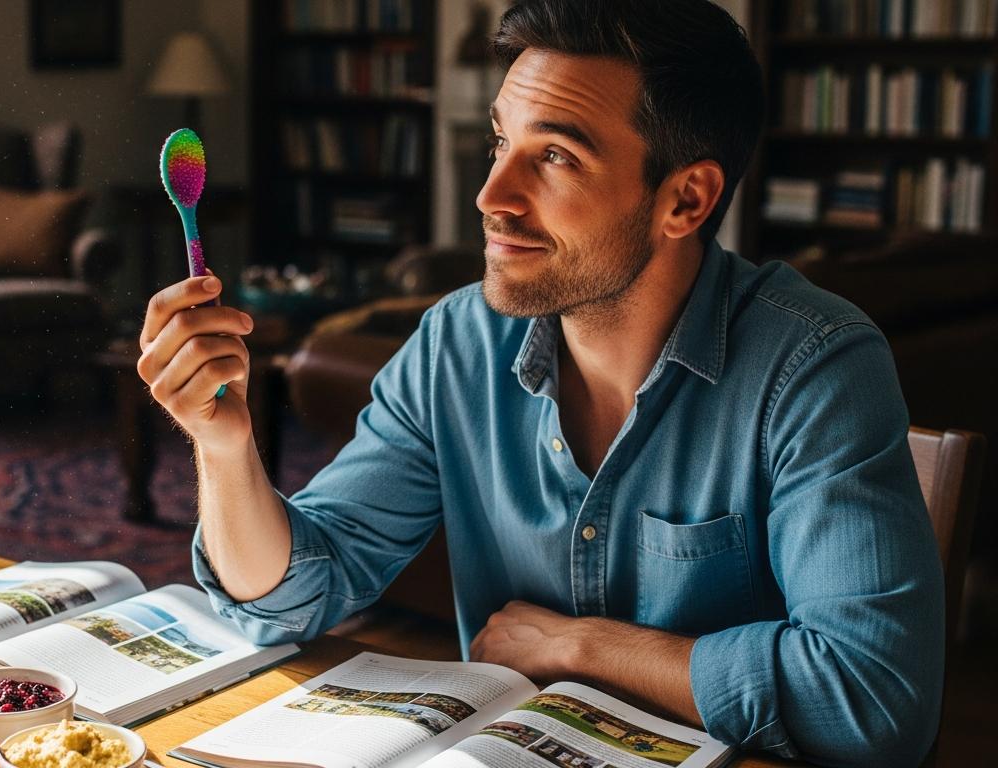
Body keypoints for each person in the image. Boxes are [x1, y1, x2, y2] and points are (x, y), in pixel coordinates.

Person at [135, 1, 943, 765]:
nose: (491, 197)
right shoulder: (457, 343)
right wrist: (223, 445)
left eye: (554, 156)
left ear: (685, 199)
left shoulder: (816, 366)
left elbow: (872, 699)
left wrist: (578, 645)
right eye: (500, 143)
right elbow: (289, 598)